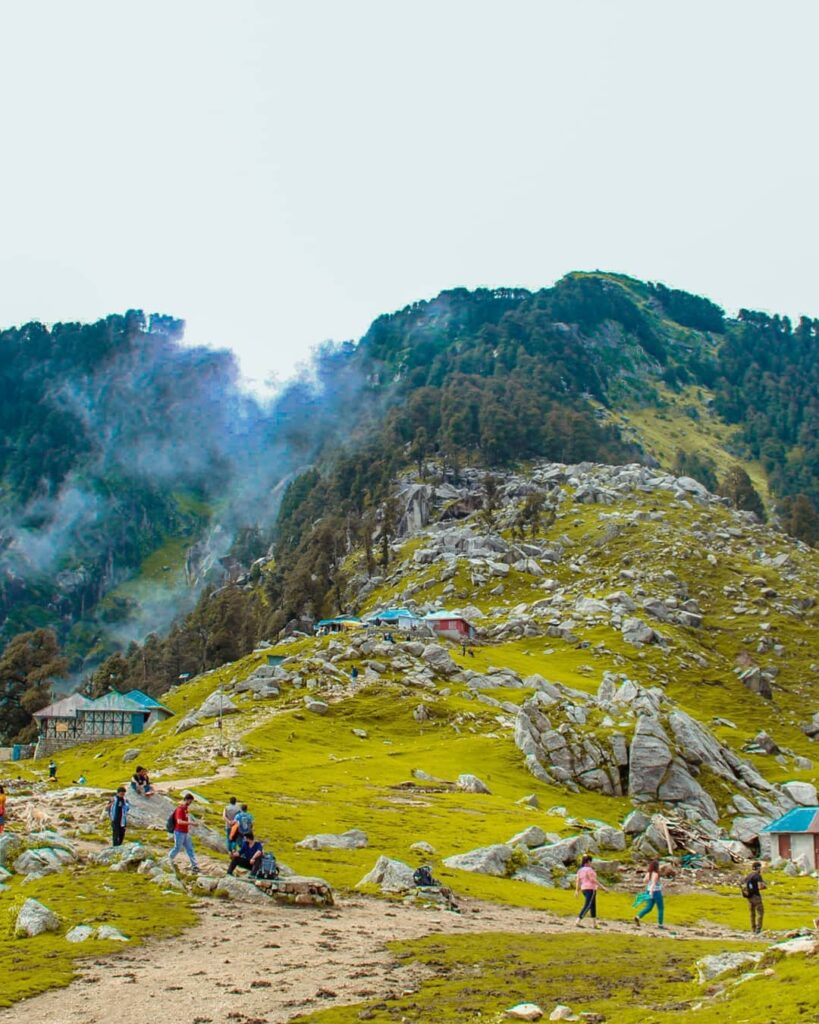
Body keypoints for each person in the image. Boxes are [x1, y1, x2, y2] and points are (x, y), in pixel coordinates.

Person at [169, 793, 199, 873]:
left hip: (185, 832)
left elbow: (185, 819)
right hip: (179, 832)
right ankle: (169, 859)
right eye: (190, 801)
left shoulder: (186, 809)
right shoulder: (180, 809)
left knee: (190, 848)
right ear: (187, 800)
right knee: (177, 848)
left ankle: (194, 865)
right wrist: (191, 823)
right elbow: (179, 821)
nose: (190, 803)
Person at [575, 854, 608, 928]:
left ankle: (594, 923)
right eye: (591, 862)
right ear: (589, 861)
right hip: (591, 889)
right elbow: (593, 880)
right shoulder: (589, 870)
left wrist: (577, 890)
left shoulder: (580, 870)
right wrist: (603, 887)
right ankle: (578, 920)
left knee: (593, 906)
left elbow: (578, 881)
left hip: (584, 889)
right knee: (588, 905)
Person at [634, 859, 664, 928]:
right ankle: (660, 924)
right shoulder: (656, 874)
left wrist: (649, 890)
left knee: (649, 907)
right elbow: (653, 883)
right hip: (656, 892)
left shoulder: (648, 873)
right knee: (660, 908)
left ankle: (638, 916)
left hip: (648, 890)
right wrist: (651, 892)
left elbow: (644, 880)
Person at [743, 860, 767, 934]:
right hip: (756, 896)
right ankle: (758, 929)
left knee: (752, 913)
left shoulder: (748, 876)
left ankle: (753, 928)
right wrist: (764, 887)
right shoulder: (757, 876)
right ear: (758, 868)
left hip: (749, 897)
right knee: (760, 913)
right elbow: (761, 886)